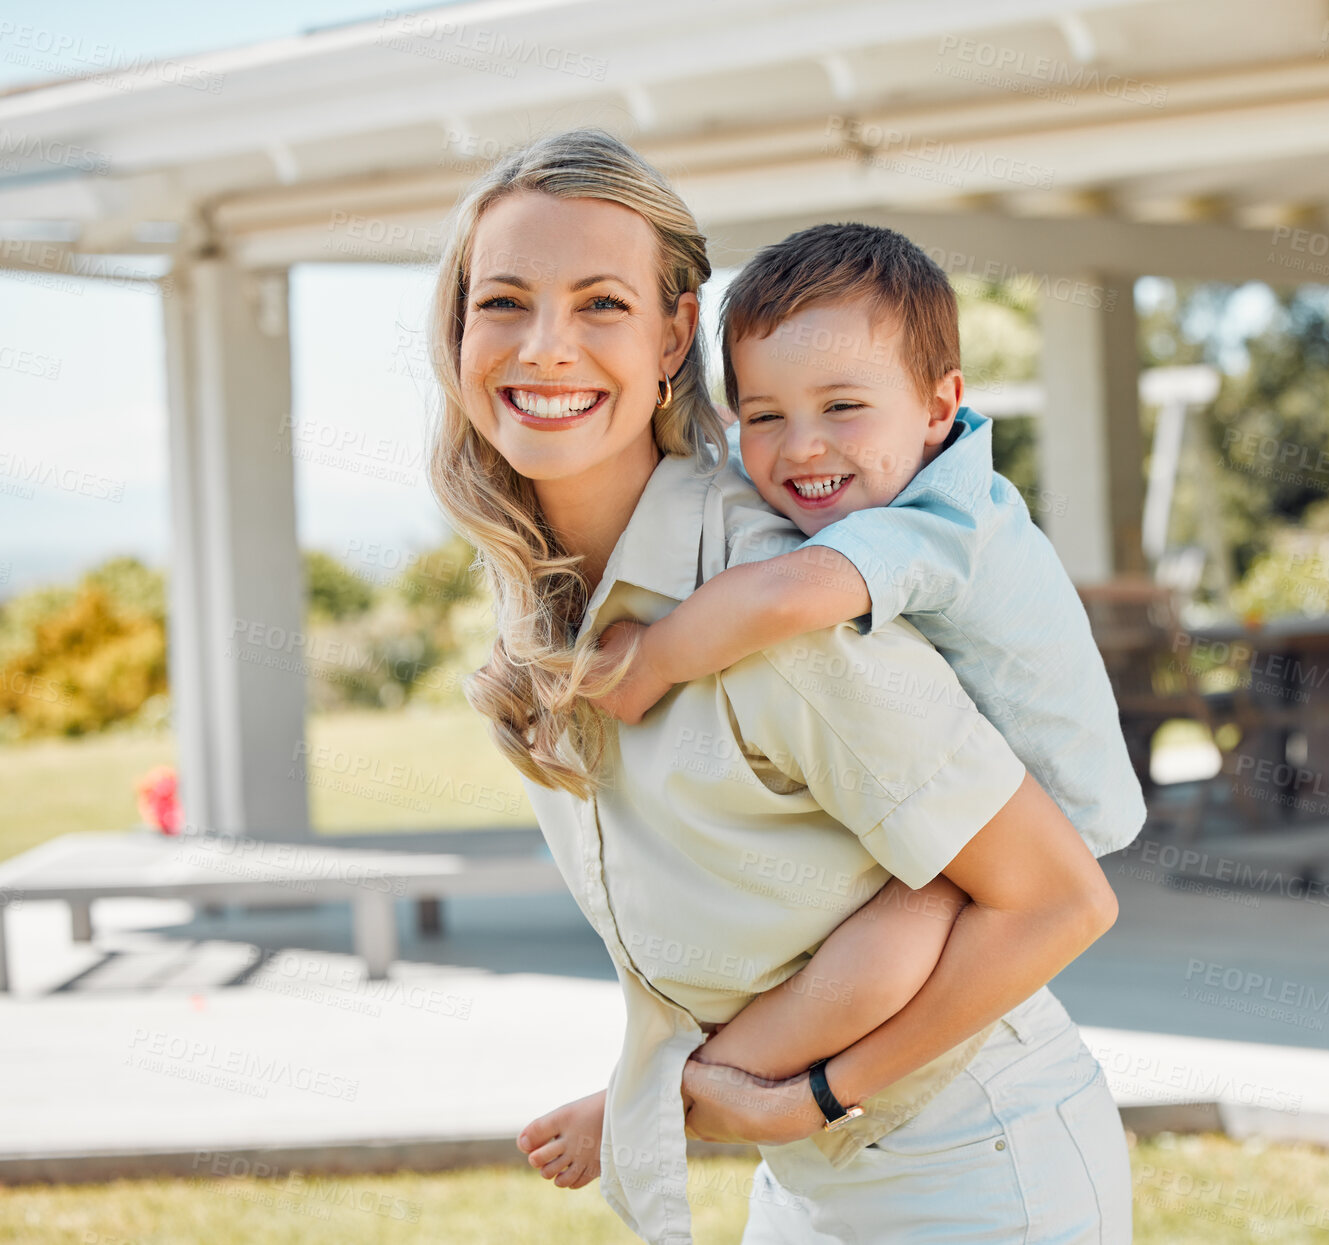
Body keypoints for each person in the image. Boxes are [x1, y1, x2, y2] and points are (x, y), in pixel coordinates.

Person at [426, 127, 1133, 1245]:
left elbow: (1061, 897)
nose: (546, 348)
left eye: (600, 304)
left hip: (973, 1170)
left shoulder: (779, 599)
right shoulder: (553, 598)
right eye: (503, 301)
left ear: (675, 334)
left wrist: (809, 1096)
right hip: (811, 1185)